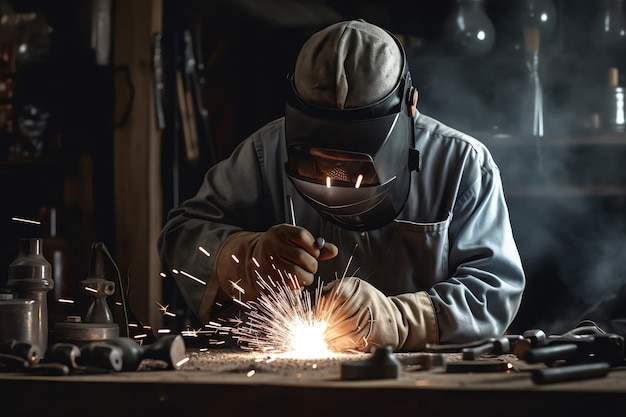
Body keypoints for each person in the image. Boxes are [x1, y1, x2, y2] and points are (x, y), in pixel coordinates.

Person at [157, 19, 526, 352]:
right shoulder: (263, 153)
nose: (337, 174)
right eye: (319, 153)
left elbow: (493, 289)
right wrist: (243, 259)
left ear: (409, 105)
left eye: (353, 156)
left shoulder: (460, 163)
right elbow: (181, 236)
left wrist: (399, 320)